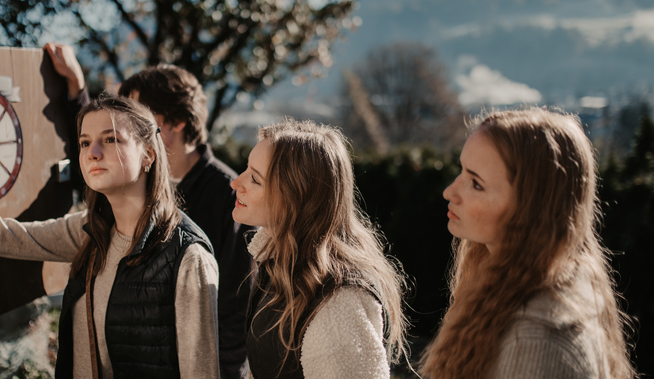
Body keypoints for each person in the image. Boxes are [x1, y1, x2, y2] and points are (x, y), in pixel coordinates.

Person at [0, 96, 221, 379]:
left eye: (110, 139)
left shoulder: (188, 256)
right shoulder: (89, 230)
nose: (93, 153)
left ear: (148, 154)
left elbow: (201, 373)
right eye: (84, 143)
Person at [45, 43, 253, 379]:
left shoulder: (228, 196)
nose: (127, 123)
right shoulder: (140, 185)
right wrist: (77, 88)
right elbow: (100, 145)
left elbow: (232, 308)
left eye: (139, 112)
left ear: (179, 122)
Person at [420, 108, 635, 379]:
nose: (450, 191)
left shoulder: (537, 342)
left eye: (476, 183)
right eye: (461, 171)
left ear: (529, 209)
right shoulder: (508, 287)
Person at [231, 119, 409, 379]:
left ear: (295, 197)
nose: (236, 183)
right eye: (247, 169)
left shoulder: (340, 300)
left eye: (255, 179)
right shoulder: (279, 261)